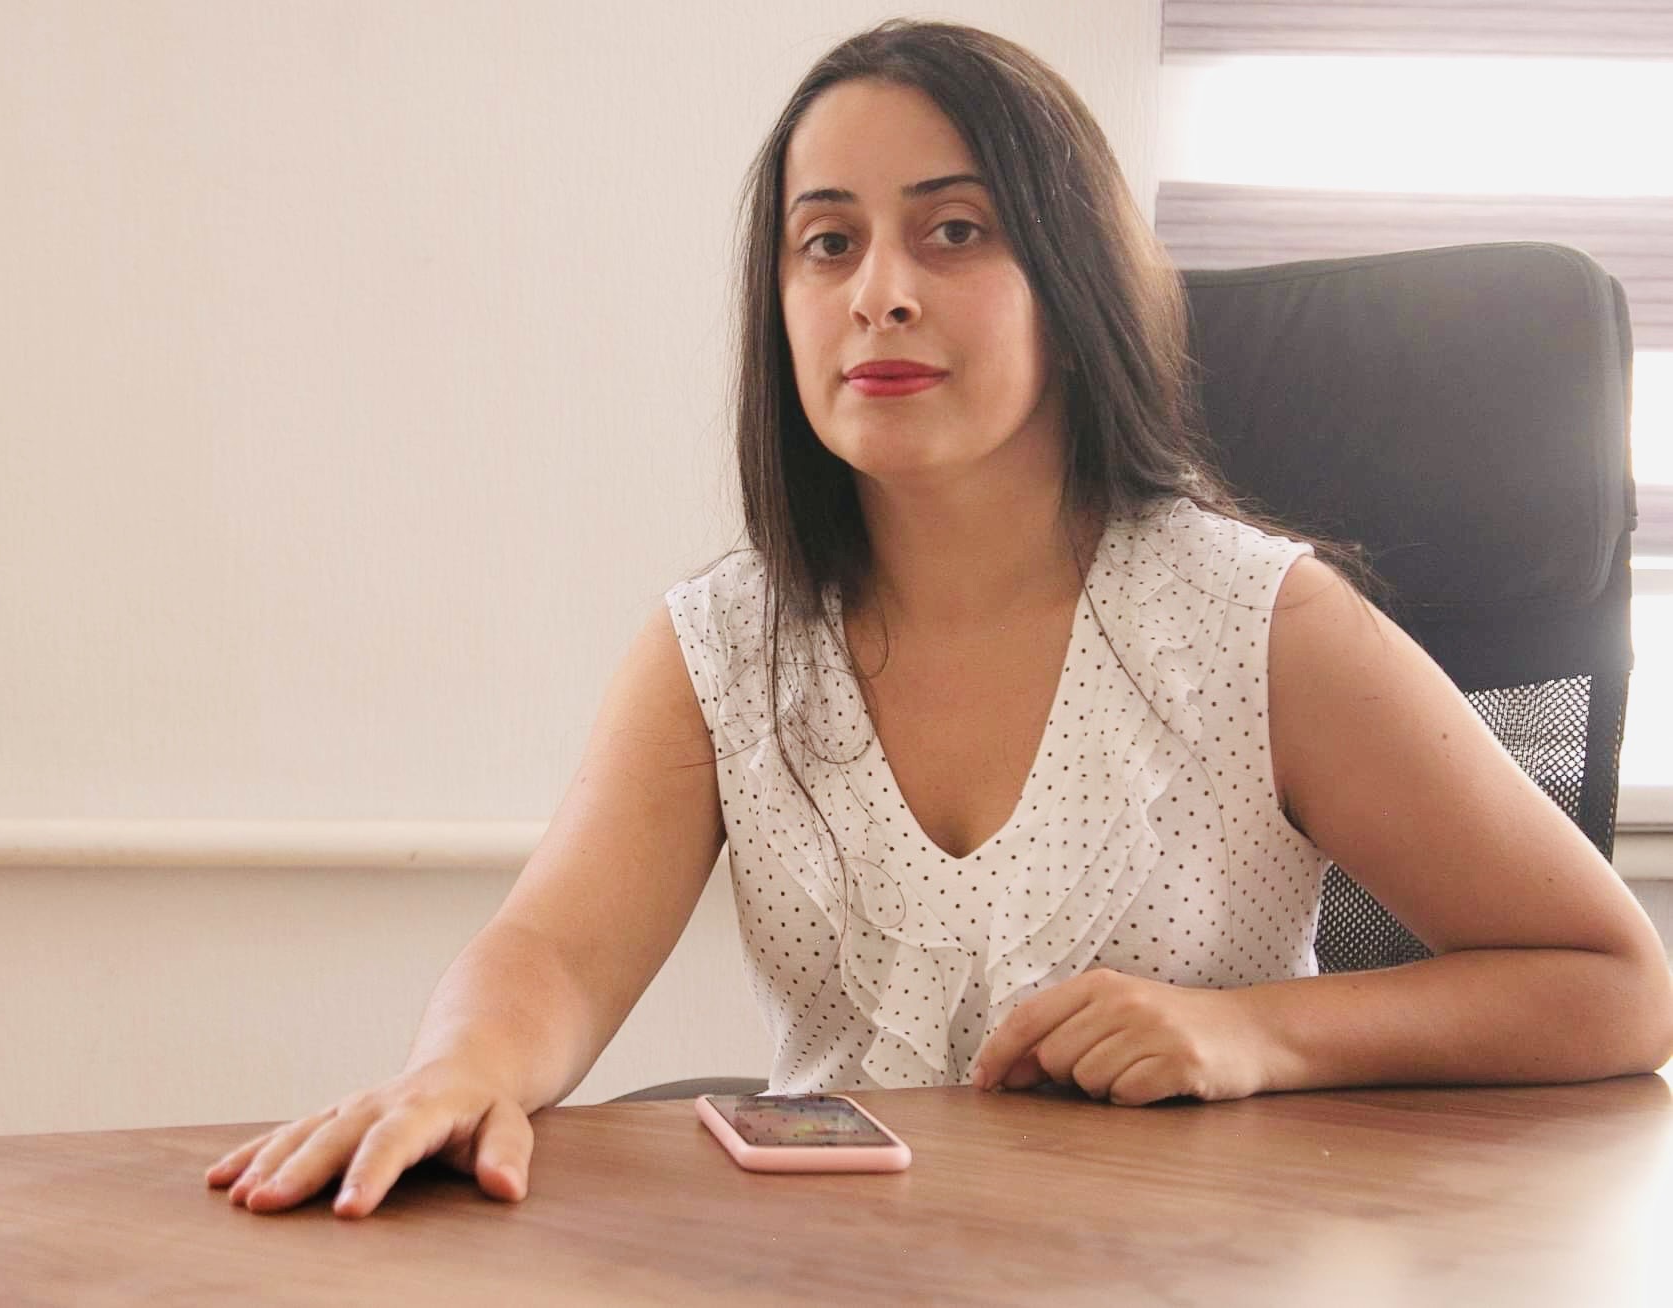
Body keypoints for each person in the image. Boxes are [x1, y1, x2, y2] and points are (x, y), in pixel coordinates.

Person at [207, 18, 1673, 1219]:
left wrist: (1250, 1033)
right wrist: (461, 1065)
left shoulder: (1258, 623)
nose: (881, 295)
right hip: (848, 1270)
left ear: (1069, 278)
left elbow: (1613, 987)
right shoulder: (726, 647)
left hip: (1200, 1272)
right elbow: (557, 952)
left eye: (955, 231)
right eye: (827, 243)